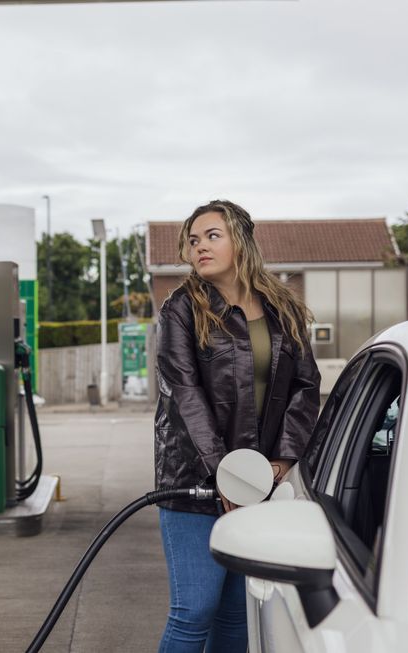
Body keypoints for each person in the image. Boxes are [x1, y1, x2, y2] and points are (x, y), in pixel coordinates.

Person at [154, 200, 320, 652]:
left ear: (241, 241)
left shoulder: (283, 308)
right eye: (193, 240)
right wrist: (224, 471)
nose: (200, 247)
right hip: (193, 481)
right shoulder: (181, 309)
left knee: (235, 616)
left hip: (260, 481)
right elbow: (184, 393)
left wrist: (282, 458)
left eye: (212, 236)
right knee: (194, 611)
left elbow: (306, 386)